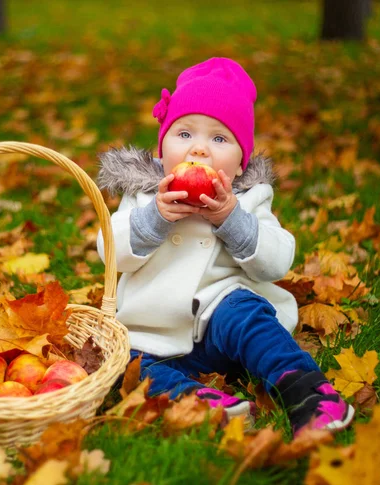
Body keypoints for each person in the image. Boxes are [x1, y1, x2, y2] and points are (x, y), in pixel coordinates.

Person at [96, 57, 354, 435]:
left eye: (218, 139)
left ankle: (306, 391)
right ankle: (201, 403)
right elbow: (109, 250)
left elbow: (277, 261)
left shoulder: (249, 200)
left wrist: (231, 220)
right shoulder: (144, 198)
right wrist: (155, 218)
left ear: (239, 164)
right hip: (153, 334)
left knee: (244, 311)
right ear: (162, 146)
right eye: (184, 134)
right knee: (123, 366)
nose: (198, 150)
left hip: (224, 325)